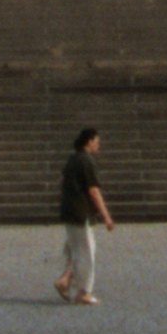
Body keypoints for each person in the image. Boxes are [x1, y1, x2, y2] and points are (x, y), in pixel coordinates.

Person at [56, 126, 111, 305]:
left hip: (69, 210)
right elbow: (94, 191)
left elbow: (63, 181)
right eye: (97, 142)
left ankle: (65, 280)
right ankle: (83, 292)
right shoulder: (87, 162)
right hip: (81, 212)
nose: (98, 146)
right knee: (87, 252)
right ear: (89, 141)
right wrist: (106, 216)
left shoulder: (72, 159)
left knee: (75, 248)